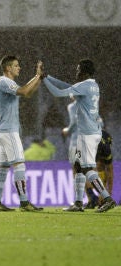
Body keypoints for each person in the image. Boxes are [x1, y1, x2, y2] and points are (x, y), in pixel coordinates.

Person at [42, 58, 116, 212]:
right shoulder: (92, 85)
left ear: (84, 71)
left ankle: (107, 198)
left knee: (88, 168)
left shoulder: (84, 86)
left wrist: (44, 81)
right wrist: (48, 77)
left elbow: (58, 92)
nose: (76, 72)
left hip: (88, 133)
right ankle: (78, 203)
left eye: (78, 69)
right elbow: (69, 87)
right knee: (78, 165)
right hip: (91, 131)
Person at [0, 55, 44, 212]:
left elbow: (27, 93)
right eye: (16, 65)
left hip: (4, 131)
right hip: (9, 131)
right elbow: (25, 91)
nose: (19, 67)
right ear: (8, 68)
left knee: (2, 168)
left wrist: (38, 78)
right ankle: (24, 203)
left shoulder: (9, 83)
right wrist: (37, 76)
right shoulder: (4, 82)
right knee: (19, 165)